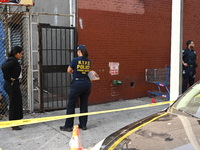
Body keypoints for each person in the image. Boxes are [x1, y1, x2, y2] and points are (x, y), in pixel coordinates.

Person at [60, 45, 91, 132]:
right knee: (84, 104)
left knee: (71, 104)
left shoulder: (75, 60)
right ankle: (83, 125)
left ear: (79, 51)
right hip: (87, 83)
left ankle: (68, 126)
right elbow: (86, 71)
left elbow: (69, 70)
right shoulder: (88, 61)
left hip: (77, 83)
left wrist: (74, 71)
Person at [1, 46, 23, 130]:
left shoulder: (14, 60)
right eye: (21, 53)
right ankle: (13, 124)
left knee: (18, 102)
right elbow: (3, 67)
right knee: (14, 104)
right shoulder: (12, 60)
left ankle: (17, 121)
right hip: (11, 84)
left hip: (14, 84)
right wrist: (9, 78)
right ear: (16, 53)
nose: (21, 55)